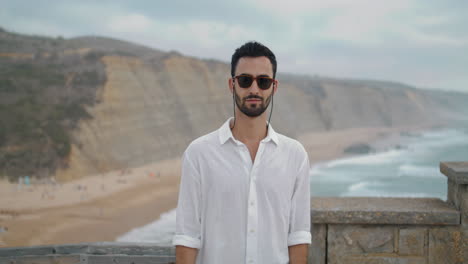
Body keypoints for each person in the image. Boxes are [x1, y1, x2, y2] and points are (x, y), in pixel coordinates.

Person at [173, 41, 311, 264]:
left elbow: (298, 236)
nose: (254, 89)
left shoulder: (295, 155)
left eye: (263, 81)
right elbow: (187, 236)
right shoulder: (199, 153)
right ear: (232, 85)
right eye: (245, 80)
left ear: (274, 87)